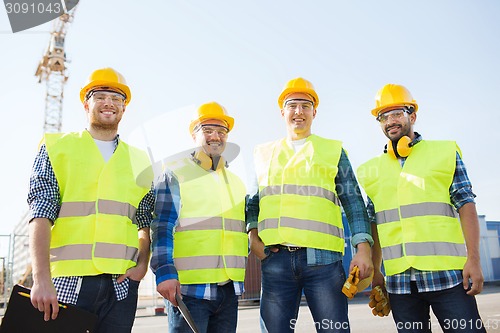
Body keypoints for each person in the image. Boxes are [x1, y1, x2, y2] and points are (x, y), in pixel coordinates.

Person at [27, 67, 154, 333]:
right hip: (67, 281)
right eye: (100, 96)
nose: (109, 103)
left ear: (124, 108)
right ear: (86, 104)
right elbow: (40, 212)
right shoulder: (57, 147)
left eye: (117, 98)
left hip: (121, 286)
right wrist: (40, 279)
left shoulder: (140, 160)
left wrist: (142, 264)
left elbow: (143, 220)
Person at [246, 77, 374, 333]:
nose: (298, 112)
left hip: (324, 261)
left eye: (305, 105)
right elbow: (252, 202)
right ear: (282, 111)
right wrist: (253, 237)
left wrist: (363, 250)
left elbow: (354, 203)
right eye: (292, 105)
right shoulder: (264, 153)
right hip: (276, 259)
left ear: (314, 112)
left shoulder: (333, 151)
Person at [356, 83, 486, 332]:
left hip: (448, 278)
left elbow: (466, 204)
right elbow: (376, 224)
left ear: (412, 116)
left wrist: (474, 259)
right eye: (384, 116)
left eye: (397, 113)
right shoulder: (371, 171)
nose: (390, 121)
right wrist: (377, 273)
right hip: (400, 285)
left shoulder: (444, 152)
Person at [150, 101, 248, 333]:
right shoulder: (176, 173)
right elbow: (162, 225)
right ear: (194, 135)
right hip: (189, 291)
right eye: (207, 130)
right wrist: (164, 272)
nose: (215, 136)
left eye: (221, 131)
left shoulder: (236, 182)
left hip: (228, 290)